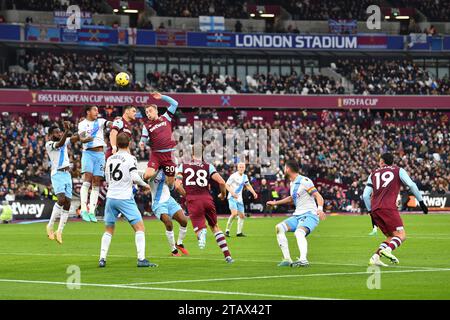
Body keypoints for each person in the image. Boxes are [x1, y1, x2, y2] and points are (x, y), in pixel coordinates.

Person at [99, 133, 157, 268]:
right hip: (124, 198)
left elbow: (107, 180)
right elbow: (134, 177)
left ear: (117, 144)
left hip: (111, 197)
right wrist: (145, 184)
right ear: (129, 143)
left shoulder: (110, 159)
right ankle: (141, 259)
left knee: (109, 229)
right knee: (140, 227)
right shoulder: (131, 158)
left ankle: (102, 259)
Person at [363, 153, 428, 267]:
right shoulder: (398, 170)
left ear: (382, 162)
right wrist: (421, 202)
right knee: (401, 235)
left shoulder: (373, 173)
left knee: (391, 236)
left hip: (375, 209)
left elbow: (365, 195)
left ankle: (375, 257)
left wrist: (371, 213)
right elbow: (411, 185)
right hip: (388, 207)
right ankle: (388, 250)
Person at [175, 147, 234, 263]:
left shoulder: (183, 166)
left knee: (199, 231)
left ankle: (202, 232)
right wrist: (223, 195)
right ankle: (227, 256)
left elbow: (177, 185)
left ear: (192, 154)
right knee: (215, 226)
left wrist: (186, 195)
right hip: (207, 199)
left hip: (193, 200)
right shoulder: (208, 166)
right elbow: (222, 182)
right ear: (202, 154)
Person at [267, 160, 326, 267]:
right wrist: (276, 203)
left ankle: (303, 260)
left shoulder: (305, 181)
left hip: (309, 214)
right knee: (279, 227)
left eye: (285, 167)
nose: (284, 170)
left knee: (299, 232)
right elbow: (292, 199)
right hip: (297, 215)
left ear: (288, 169)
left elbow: (318, 196)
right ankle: (287, 259)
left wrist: (320, 209)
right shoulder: (292, 183)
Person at [44, 122, 79, 244]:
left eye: (59, 132)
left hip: (67, 174)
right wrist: (66, 131)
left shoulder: (64, 139)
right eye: (56, 132)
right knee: (61, 199)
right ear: (50, 135)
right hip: (57, 174)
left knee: (68, 203)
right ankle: (50, 225)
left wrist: (83, 130)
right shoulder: (49, 144)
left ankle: (59, 231)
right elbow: (60, 143)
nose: (58, 134)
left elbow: (75, 138)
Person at [78, 106, 112, 222]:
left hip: (100, 155)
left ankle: (92, 211)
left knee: (97, 182)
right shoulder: (82, 124)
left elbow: (110, 124)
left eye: (97, 110)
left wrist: (116, 123)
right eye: (94, 110)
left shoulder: (101, 121)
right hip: (88, 153)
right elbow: (82, 139)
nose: (97, 112)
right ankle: (83, 209)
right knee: (87, 179)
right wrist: (88, 138)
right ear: (88, 112)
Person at [140, 92, 179, 189]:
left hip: (169, 155)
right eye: (147, 112)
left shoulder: (166, 117)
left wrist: (162, 97)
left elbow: (175, 104)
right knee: (147, 175)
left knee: (170, 184)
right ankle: (142, 179)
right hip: (156, 155)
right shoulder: (146, 126)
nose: (148, 114)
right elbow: (143, 138)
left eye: (150, 111)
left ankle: (168, 190)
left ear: (156, 111)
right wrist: (142, 143)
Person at [149, 168, 189, 257]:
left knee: (184, 220)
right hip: (158, 202)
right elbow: (148, 178)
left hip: (169, 200)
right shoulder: (152, 170)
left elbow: (172, 187)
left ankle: (179, 243)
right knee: (168, 223)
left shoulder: (169, 169)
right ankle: (173, 250)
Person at [224, 162, 258, 237]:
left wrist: (254, 192)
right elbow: (226, 185)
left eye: (243, 167)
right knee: (234, 213)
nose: (241, 168)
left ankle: (239, 232)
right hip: (232, 197)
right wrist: (232, 193)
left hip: (239, 199)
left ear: (244, 168)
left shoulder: (245, 177)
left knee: (242, 216)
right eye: (240, 167)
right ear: (237, 168)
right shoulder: (233, 176)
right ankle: (227, 230)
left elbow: (248, 185)